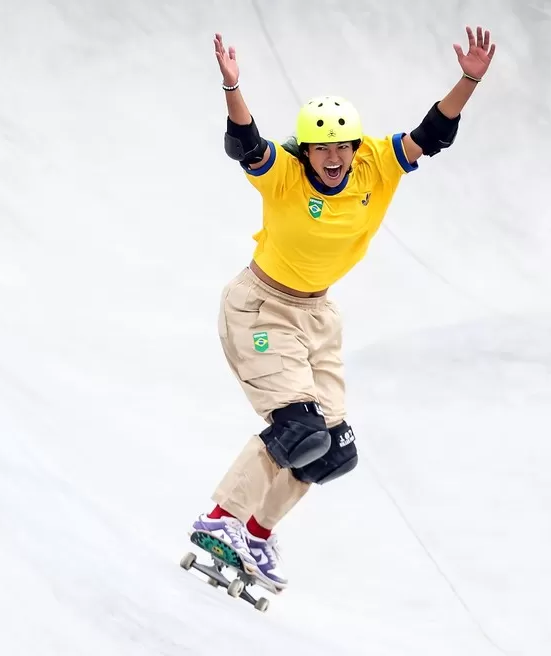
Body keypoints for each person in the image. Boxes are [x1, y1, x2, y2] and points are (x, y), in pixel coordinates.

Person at [189, 26, 497, 591]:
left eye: (341, 147)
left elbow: (434, 132)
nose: (332, 159)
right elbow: (246, 146)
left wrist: (469, 78)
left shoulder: (376, 166)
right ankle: (219, 520)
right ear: (305, 151)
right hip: (261, 309)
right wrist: (233, 87)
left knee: (330, 450)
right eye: (321, 149)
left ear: (355, 147)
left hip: (317, 318)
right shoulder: (283, 176)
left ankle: (256, 530)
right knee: (297, 427)